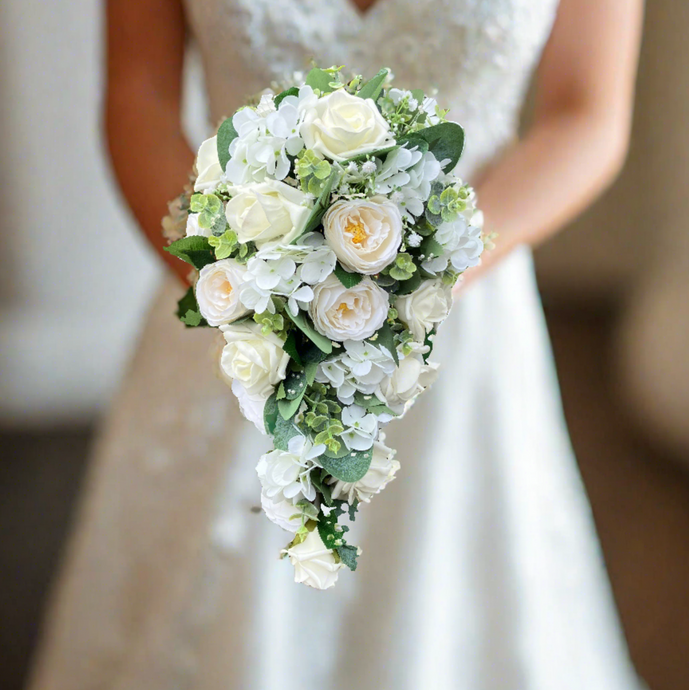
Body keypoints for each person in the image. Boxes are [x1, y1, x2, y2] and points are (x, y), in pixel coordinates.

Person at [29, 0, 645, 688]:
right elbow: (139, 92)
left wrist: (431, 272)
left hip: (463, 325)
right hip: (235, 320)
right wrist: (239, 287)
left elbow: (587, 115)